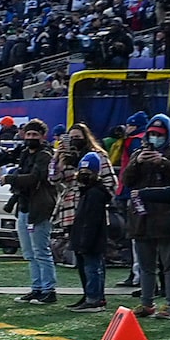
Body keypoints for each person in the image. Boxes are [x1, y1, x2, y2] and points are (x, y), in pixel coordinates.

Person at [120, 119, 170, 319]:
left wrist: (163, 163)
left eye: (159, 134)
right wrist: (137, 163)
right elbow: (126, 181)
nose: (155, 138)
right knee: (145, 265)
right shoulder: (138, 154)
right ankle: (147, 302)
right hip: (141, 218)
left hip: (168, 217)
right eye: (152, 133)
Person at [2, 118, 59, 304]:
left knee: (41, 251)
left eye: (35, 134)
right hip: (25, 206)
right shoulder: (26, 154)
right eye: (28, 134)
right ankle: (37, 288)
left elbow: (34, 178)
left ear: (43, 137)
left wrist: (11, 179)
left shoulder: (45, 156)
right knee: (29, 252)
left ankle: (49, 290)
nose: (30, 137)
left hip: (39, 208)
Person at [60, 128, 114, 311]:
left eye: (77, 137)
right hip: (73, 212)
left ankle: (95, 297)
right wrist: (60, 159)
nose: (74, 140)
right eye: (71, 137)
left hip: (91, 218)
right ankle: (89, 295)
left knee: (93, 263)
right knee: (83, 262)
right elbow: (55, 178)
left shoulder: (98, 159)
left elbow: (110, 184)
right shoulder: (69, 158)